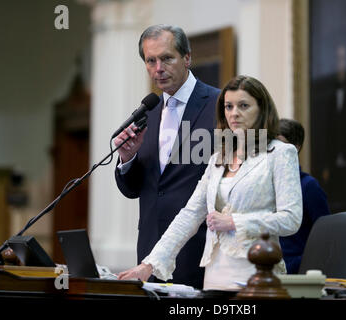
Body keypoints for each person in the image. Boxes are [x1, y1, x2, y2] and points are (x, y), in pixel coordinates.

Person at [125, 75, 303, 291]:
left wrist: (235, 222)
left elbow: (291, 219)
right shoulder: (219, 158)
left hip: (258, 274)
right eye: (228, 106)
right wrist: (148, 265)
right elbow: (189, 215)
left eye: (243, 105)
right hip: (215, 275)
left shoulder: (281, 153)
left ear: (262, 109)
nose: (234, 113)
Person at [114, 24, 220, 288]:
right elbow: (134, 189)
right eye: (151, 61)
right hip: (150, 253)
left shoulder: (220, 106)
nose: (158, 68)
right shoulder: (146, 113)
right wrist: (127, 159)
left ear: (187, 58)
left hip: (199, 251)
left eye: (166, 58)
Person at [277, 119, 331, 274]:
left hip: (296, 271)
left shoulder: (309, 186)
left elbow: (325, 237)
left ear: (295, 148)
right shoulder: (264, 185)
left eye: (279, 144)